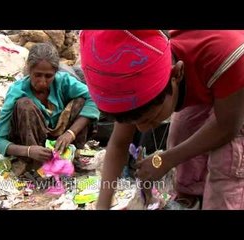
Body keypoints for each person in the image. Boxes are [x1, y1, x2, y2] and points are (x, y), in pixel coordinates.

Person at [80, 30, 244, 210]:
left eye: (150, 118)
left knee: (228, 160)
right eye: (136, 122)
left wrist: (165, 160)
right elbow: (119, 144)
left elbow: (227, 127)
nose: (142, 130)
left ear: (177, 75)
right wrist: (102, 205)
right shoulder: (134, 82)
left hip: (236, 86)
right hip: (210, 79)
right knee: (180, 135)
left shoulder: (227, 56)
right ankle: (191, 196)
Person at [0, 42, 100, 174]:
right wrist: (29, 150)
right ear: (29, 70)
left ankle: (72, 158)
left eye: (48, 76)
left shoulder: (63, 81)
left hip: (60, 141)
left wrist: (70, 134)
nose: (42, 81)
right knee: (24, 105)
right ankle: (37, 167)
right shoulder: (17, 91)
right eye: (37, 75)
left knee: (81, 100)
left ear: (55, 73)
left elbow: (94, 97)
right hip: (31, 147)